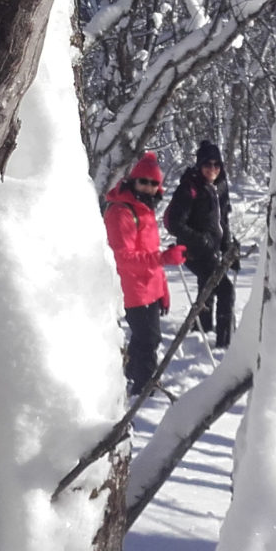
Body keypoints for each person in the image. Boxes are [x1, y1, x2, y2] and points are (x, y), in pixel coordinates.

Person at [105, 151, 186, 396]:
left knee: (145, 340)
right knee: (148, 340)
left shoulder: (144, 210)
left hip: (148, 288)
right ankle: (144, 389)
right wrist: (163, 258)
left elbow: (149, 253)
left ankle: (133, 378)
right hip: (131, 289)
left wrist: (162, 290)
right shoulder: (121, 212)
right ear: (133, 181)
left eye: (154, 183)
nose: (149, 187)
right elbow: (124, 258)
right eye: (144, 181)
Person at [164, 139, 237, 348]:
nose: (212, 169)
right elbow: (177, 225)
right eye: (207, 164)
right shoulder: (188, 189)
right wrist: (201, 240)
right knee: (225, 289)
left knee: (208, 286)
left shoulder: (220, 186)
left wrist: (229, 249)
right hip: (193, 251)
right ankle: (225, 342)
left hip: (212, 248)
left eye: (216, 164)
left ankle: (202, 327)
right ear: (199, 165)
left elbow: (223, 221)